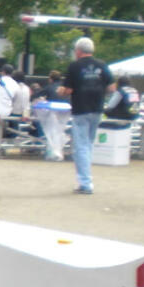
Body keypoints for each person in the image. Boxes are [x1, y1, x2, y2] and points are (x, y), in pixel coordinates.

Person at [59, 36, 113, 195]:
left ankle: (85, 183)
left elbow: (67, 90)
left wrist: (61, 91)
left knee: (81, 146)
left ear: (78, 51)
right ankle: (86, 179)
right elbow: (111, 87)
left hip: (80, 108)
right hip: (97, 108)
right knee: (88, 144)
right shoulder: (102, 65)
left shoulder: (74, 66)